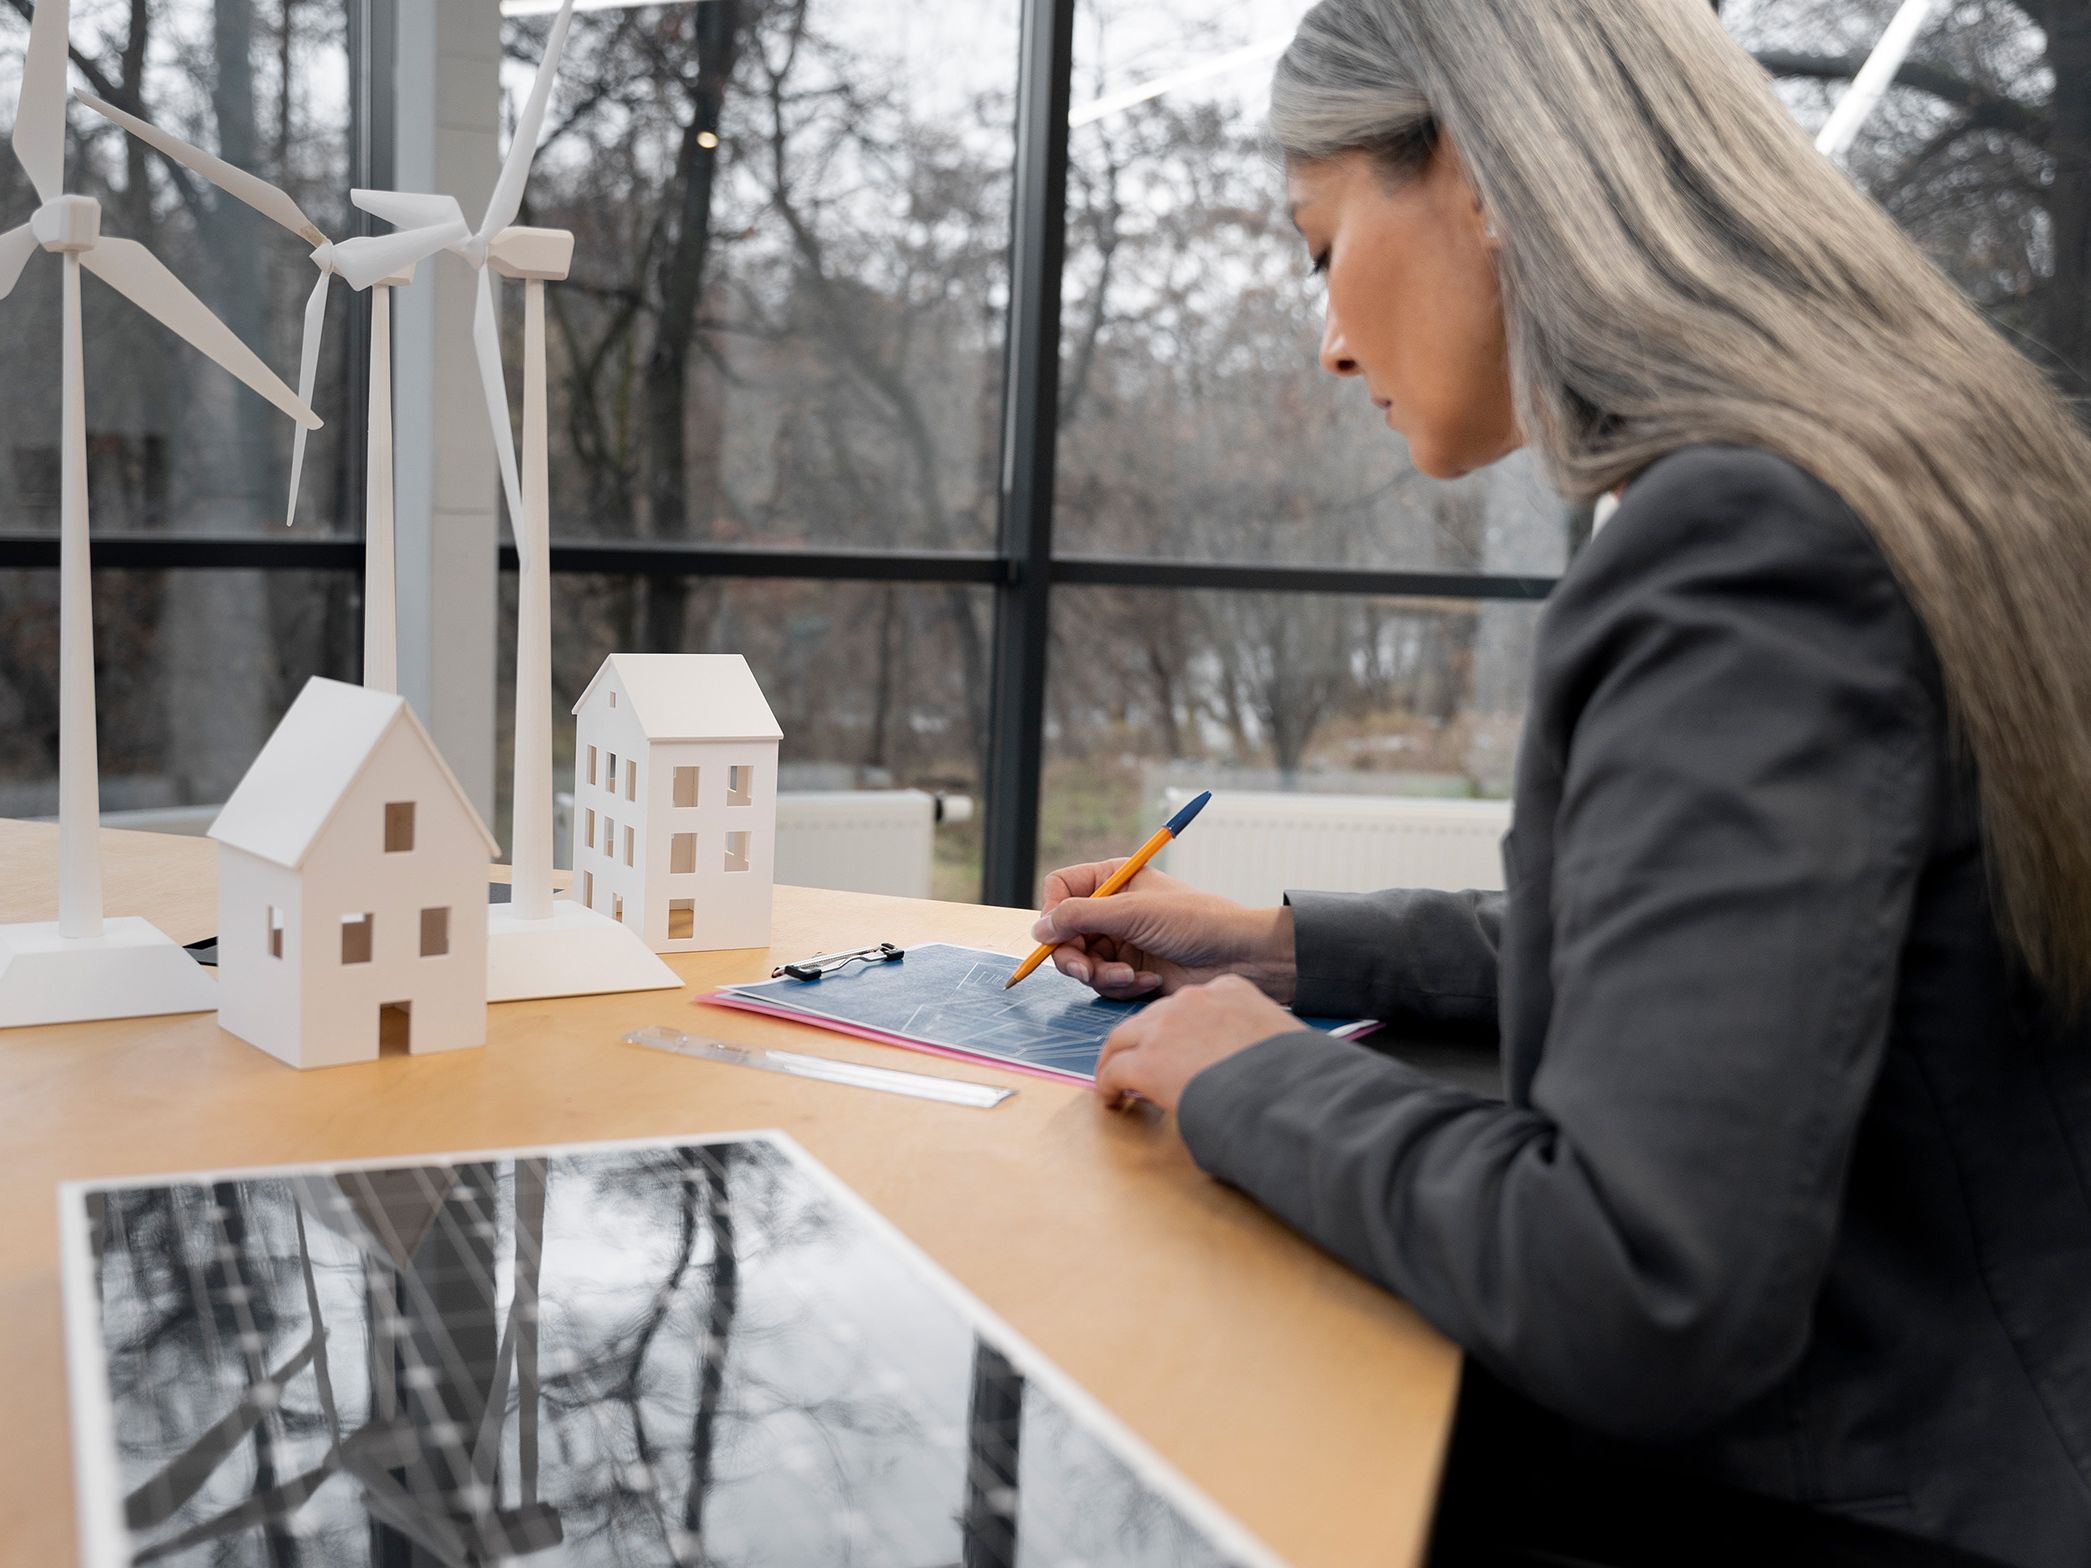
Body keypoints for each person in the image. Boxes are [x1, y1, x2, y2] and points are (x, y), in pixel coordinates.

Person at [1030, 2, 2091, 1564]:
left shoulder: (1743, 540)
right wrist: (1275, 946)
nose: (1327, 338)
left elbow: (1638, 1288)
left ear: (1472, 169)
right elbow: (1733, 975)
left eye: (1321, 248)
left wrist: (1252, 1072)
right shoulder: (1921, 472)